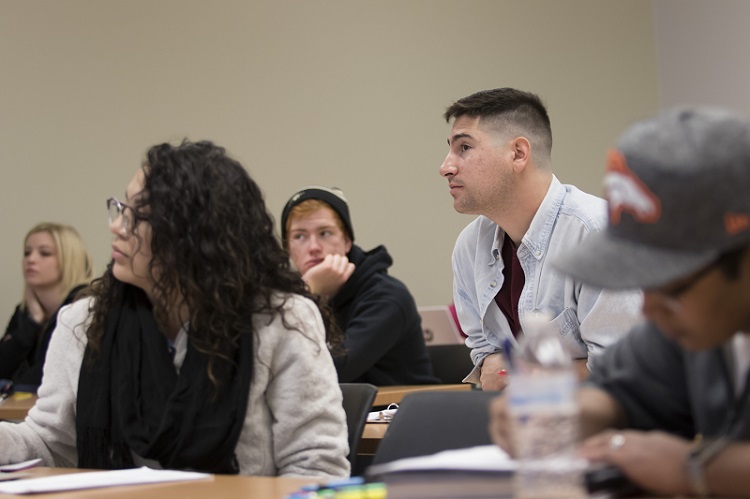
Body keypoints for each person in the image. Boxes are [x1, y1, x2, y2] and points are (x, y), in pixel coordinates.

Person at [0, 141, 350, 478]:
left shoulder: (279, 320)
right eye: (121, 208)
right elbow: (49, 444)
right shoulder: (85, 321)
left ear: (193, 235)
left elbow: (316, 465)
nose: (117, 226)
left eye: (138, 216)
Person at [490, 107, 750, 496]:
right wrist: (562, 415)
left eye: (671, 288)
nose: (649, 309)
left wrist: (694, 471)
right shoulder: (694, 328)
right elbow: (617, 394)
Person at [439, 87, 642, 390]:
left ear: (518, 153)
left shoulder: (597, 236)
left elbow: (622, 373)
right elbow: (487, 366)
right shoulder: (470, 247)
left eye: (464, 147)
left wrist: (518, 373)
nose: (446, 167)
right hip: (520, 426)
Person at [281, 186, 439, 385]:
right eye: (299, 236)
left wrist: (308, 293)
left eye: (325, 233)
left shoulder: (387, 296)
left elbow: (333, 372)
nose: (313, 247)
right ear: (287, 248)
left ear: (347, 241)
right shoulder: (284, 294)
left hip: (398, 411)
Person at [0, 223, 92, 391]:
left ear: (69, 259)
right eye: (27, 253)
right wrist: (34, 321)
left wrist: (10, 383)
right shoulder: (24, 312)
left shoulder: (82, 308)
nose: (31, 259)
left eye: (45, 253)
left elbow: (48, 376)